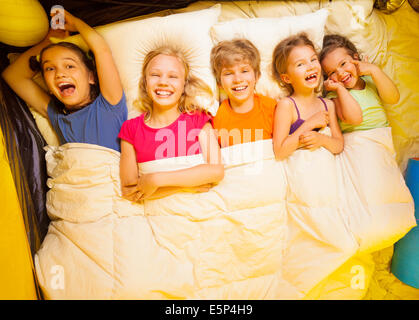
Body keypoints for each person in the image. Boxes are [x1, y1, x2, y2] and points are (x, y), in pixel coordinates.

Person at [2, 10, 127, 152]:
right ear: (49, 87)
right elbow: (13, 76)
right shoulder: (57, 116)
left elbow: (101, 51)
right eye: (50, 69)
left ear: (91, 77)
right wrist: (48, 41)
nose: (60, 74)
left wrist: (75, 23)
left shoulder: (109, 105)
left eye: (69, 66)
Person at [119, 46, 224, 202]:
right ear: (145, 82)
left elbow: (216, 171)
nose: (163, 82)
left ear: (184, 85)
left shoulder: (198, 119)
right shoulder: (131, 129)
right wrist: (183, 187)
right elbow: (130, 192)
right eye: (155, 75)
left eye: (173, 76)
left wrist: (156, 180)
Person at [271, 33, 344, 160]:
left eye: (313, 59)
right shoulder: (287, 105)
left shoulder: (328, 105)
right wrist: (309, 124)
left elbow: (339, 145)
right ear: (287, 78)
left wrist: (322, 140)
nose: (310, 67)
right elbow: (279, 152)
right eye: (300, 64)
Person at [319, 34, 400, 133]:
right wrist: (340, 89)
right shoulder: (336, 94)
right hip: (358, 140)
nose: (340, 73)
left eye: (343, 64)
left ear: (356, 58)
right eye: (332, 72)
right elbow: (355, 119)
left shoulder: (370, 80)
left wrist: (374, 70)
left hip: (382, 138)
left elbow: (393, 98)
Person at [210, 39, 276, 148]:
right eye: (228, 73)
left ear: (257, 76)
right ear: (219, 83)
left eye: (244, 71)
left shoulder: (271, 108)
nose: (238, 79)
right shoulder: (217, 118)